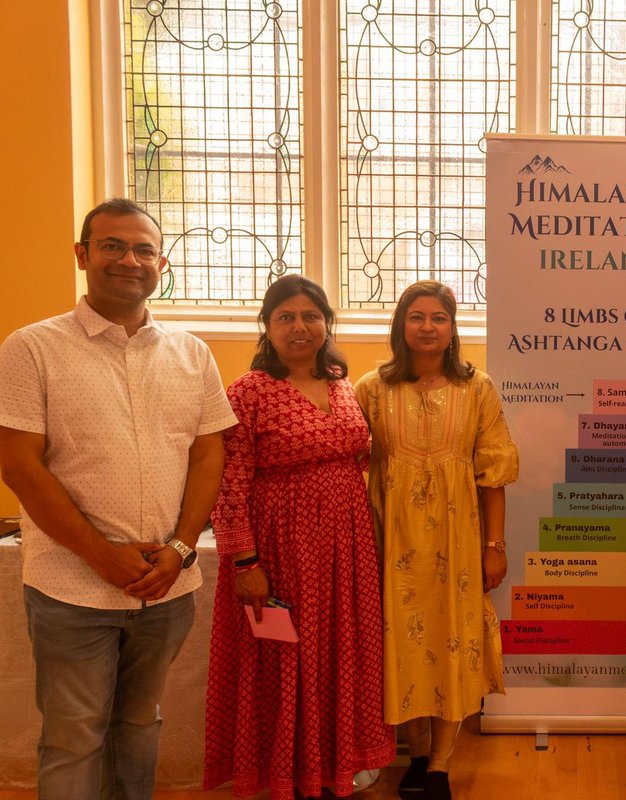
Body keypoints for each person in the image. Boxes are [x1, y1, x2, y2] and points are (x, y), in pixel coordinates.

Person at [0, 198, 237, 799]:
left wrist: (182, 547)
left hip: (166, 585)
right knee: (74, 734)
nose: (129, 260)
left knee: (139, 721)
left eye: (144, 249)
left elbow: (209, 453)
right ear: (82, 255)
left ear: (162, 262)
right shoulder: (31, 349)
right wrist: (99, 554)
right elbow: (18, 464)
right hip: (69, 586)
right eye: (112, 246)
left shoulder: (192, 354)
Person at [203, 275, 394, 798]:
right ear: (267, 326)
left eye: (310, 315)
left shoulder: (340, 384)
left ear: (326, 323)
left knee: (341, 652)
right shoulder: (248, 392)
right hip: (281, 549)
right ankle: (287, 773)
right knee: (286, 657)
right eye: (286, 316)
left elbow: (358, 458)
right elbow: (229, 482)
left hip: (345, 546)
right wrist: (244, 561)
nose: (300, 326)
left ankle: (337, 764)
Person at [355, 280, 519, 800]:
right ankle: (417, 754)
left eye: (439, 318)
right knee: (400, 644)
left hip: (459, 540)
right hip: (391, 540)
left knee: (453, 644)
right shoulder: (371, 389)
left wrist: (495, 547)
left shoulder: (478, 388)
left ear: (453, 329)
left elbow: (493, 474)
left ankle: (442, 764)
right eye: (416, 317)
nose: (428, 327)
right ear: (401, 326)